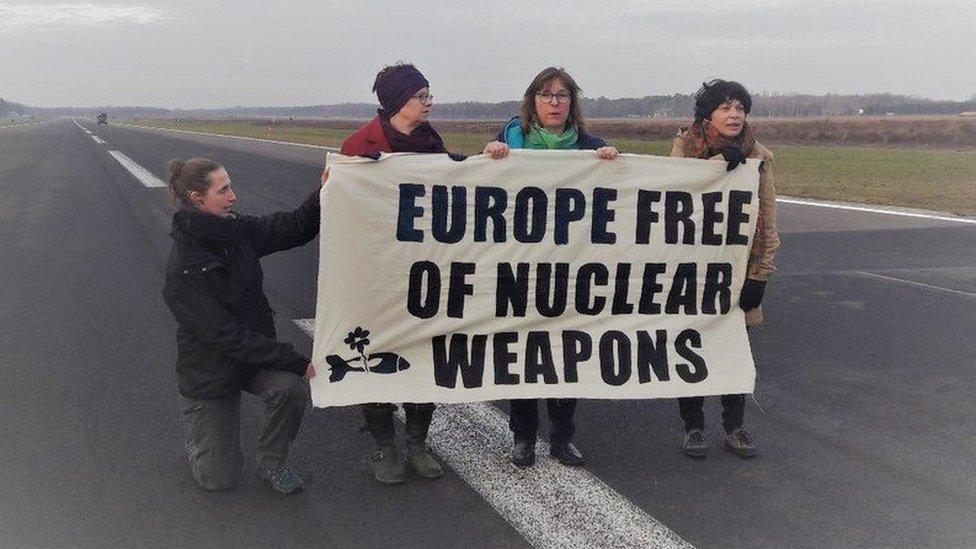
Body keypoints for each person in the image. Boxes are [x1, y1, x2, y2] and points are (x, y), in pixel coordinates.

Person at [482, 66, 619, 468]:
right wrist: (488, 159)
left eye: (562, 96)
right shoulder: (507, 143)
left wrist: (613, 162)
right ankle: (523, 436)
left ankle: (562, 436)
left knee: (564, 356)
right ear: (532, 101)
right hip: (519, 271)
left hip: (570, 273)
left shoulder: (591, 147)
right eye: (546, 95)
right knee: (523, 355)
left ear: (572, 102)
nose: (555, 103)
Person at [162, 157, 323, 493]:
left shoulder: (235, 231)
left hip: (253, 359)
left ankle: (272, 462)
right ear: (196, 197)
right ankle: (200, 441)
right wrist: (293, 359)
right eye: (223, 190)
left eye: (230, 186)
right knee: (218, 479)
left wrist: (325, 191)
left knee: (289, 389)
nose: (233, 196)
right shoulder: (183, 267)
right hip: (210, 369)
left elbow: (292, 227)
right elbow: (224, 335)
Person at [340, 62, 457, 484]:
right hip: (376, 276)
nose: (429, 103)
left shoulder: (433, 146)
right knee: (375, 356)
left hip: (424, 274)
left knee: (424, 356)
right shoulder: (358, 147)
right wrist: (331, 184)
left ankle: (418, 443)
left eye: (429, 94)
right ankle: (384, 446)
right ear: (396, 102)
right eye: (421, 96)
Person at [669, 79, 780, 459]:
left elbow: (767, 222)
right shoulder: (684, 147)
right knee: (690, 346)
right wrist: (718, 167)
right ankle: (693, 426)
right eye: (725, 108)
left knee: (735, 351)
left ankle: (734, 426)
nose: (734, 115)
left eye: (740, 108)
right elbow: (675, 200)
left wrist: (759, 277)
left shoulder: (759, 157)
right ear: (708, 114)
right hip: (693, 272)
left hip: (738, 273)